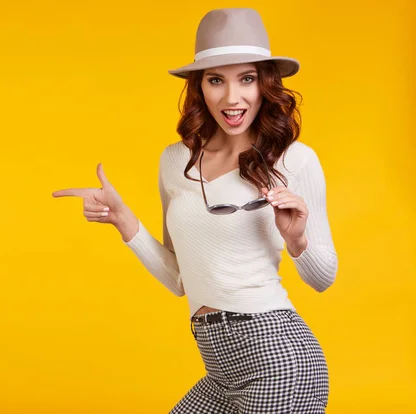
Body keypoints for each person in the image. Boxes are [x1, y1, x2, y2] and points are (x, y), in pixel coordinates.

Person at [52, 7, 337, 414]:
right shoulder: (175, 161)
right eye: (216, 80)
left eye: (247, 79)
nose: (231, 97)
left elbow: (324, 277)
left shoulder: (294, 160)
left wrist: (297, 239)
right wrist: (125, 222)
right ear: (199, 86)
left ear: (265, 85)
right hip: (221, 371)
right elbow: (179, 279)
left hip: (278, 361)